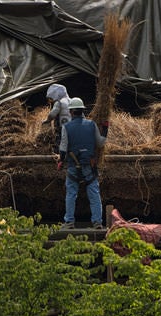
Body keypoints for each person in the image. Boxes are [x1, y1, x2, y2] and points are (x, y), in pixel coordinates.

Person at [57, 97, 106, 229]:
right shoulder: (92, 125)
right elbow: (100, 143)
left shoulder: (66, 127)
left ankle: (69, 222)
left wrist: (61, 161)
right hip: (89, 165)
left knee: (71, 193)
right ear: (82, 111)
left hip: (74, 164)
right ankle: (97, 222)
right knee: (94, 193)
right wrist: (105, 130)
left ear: (71, 112)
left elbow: (63, 147)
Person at [42, 83, 71, 152]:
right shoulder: (73, 101)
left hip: (63, 126)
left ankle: (60, 154)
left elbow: (52, 114)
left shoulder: (59, 102)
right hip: (73, 126)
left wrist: (47, 120)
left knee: (61, 141)